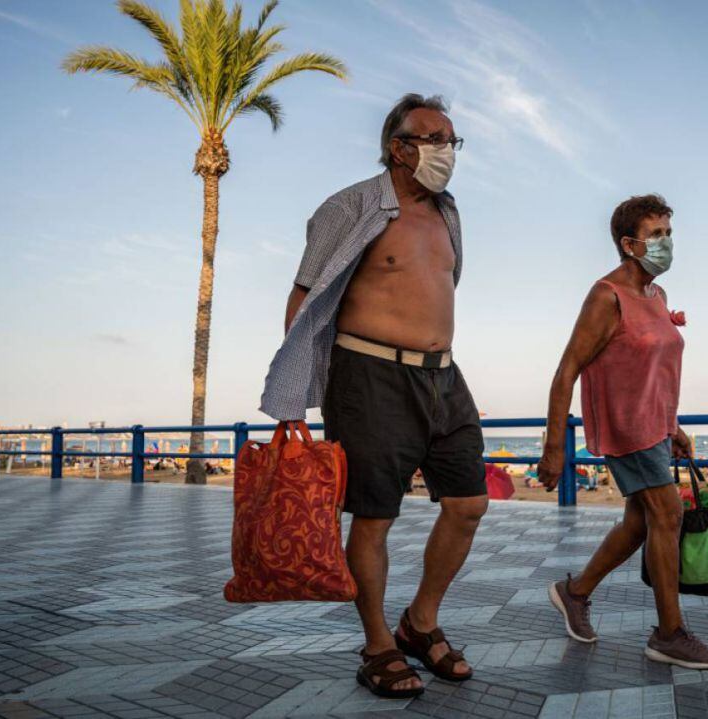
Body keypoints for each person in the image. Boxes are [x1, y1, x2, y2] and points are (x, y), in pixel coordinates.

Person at [260, 95, 487, 697]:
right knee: (375, 517)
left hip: (443, 375)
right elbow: (305, 296)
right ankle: (378, 643)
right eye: (434, 138)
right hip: (368, 375)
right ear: (399, 147)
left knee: (468, 503)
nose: (447, 151)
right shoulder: (351, 206)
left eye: (452, 140)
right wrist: (306, 390)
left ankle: (421, 621)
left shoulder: (448, 212)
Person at [538, 194, 708, 670]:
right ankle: (669, 634)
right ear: (629, 243)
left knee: (640, 522)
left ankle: (575, 592)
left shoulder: (657, 296)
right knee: (667, 515)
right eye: (657, 235)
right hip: (625, 428)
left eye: (669, 233)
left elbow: (652, 371)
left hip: (655, 428)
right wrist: (553, 448)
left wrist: (673, 426)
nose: (667, 243)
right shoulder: (607, 295)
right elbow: (566, 370)